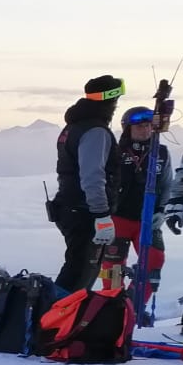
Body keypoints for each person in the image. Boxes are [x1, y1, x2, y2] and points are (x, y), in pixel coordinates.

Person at [50, 75, 124, 290]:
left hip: (69, 206)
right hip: (85, 212)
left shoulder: (73, 127)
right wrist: (101, 215)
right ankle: (58, 310)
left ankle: (58, 308)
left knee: (77, 268)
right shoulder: (95, 131)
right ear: (110, 100)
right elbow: (92, 177)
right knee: (80, 273)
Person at [109, 105, 182, 308]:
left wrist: (161, 210)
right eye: (139, 126)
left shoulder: (161, 152)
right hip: (118, 218)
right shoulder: (115, 152)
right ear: (128, 129)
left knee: (154, 262)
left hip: (148, 219)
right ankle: (112, 309)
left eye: (149, 125)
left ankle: (133, 306)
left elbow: (166, 184)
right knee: (113, 268)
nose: (145, 130)